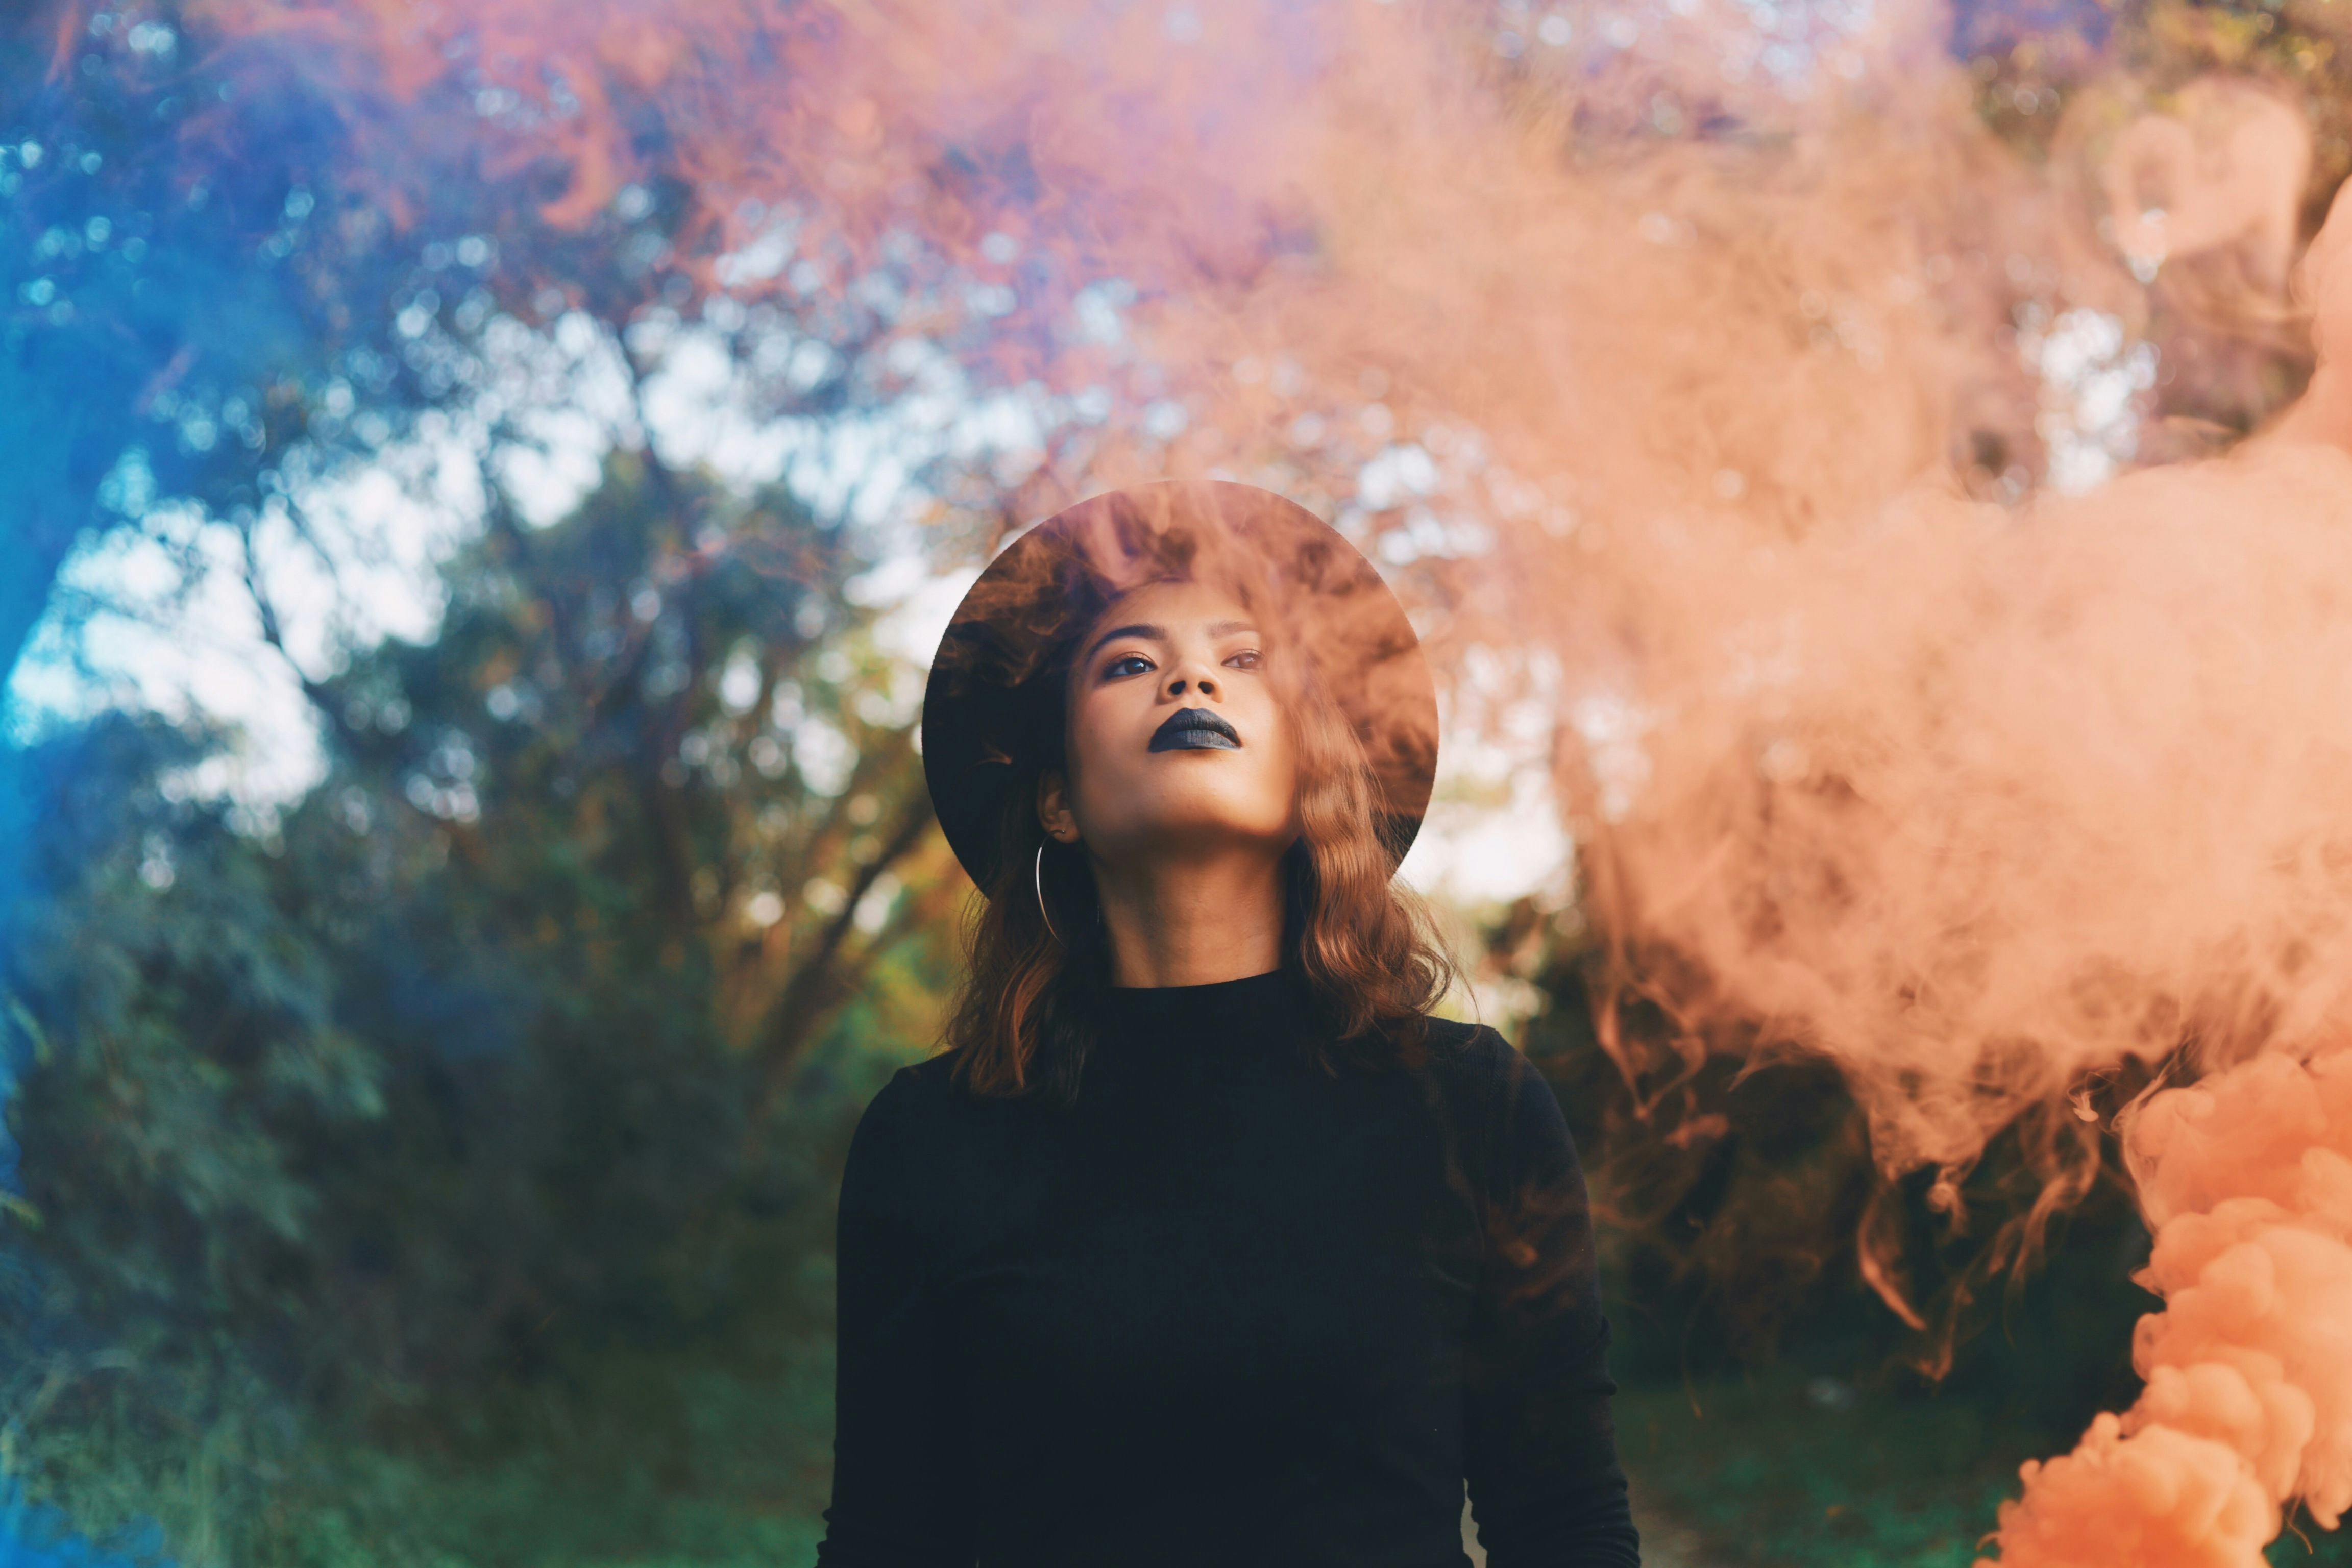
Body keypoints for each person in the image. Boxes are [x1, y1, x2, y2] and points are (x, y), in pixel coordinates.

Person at [814, 481, 1640, 1567]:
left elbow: (1564, 1528)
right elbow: (886, 1543)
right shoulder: (933, 1139)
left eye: (1244, 659)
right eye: (1126, 662)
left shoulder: (1472, 1107)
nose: (1190, 676)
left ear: (1310, 773)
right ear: (1058, 800)